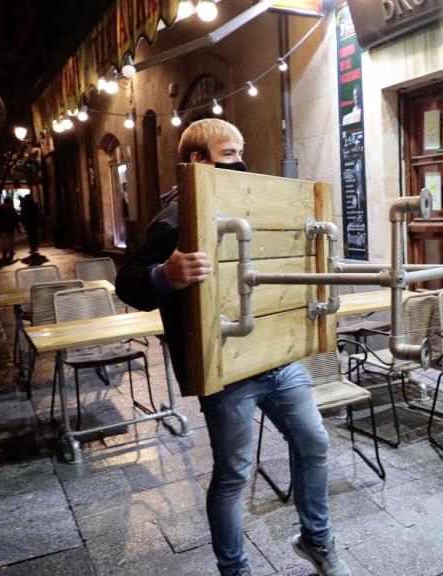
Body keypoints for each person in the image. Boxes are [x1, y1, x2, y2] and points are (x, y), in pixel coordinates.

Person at [115, 118, 350, 576]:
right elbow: (128, 281)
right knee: (233, 476)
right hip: (226, 366)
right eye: (228, 154)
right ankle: (235, 570)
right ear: (198, 160)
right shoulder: (177, 215)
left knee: (314, 443)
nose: (240, 162)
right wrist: (165, 275)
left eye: (241, 152)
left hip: (278, 357)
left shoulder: (248, 202)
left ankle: (316, 540)